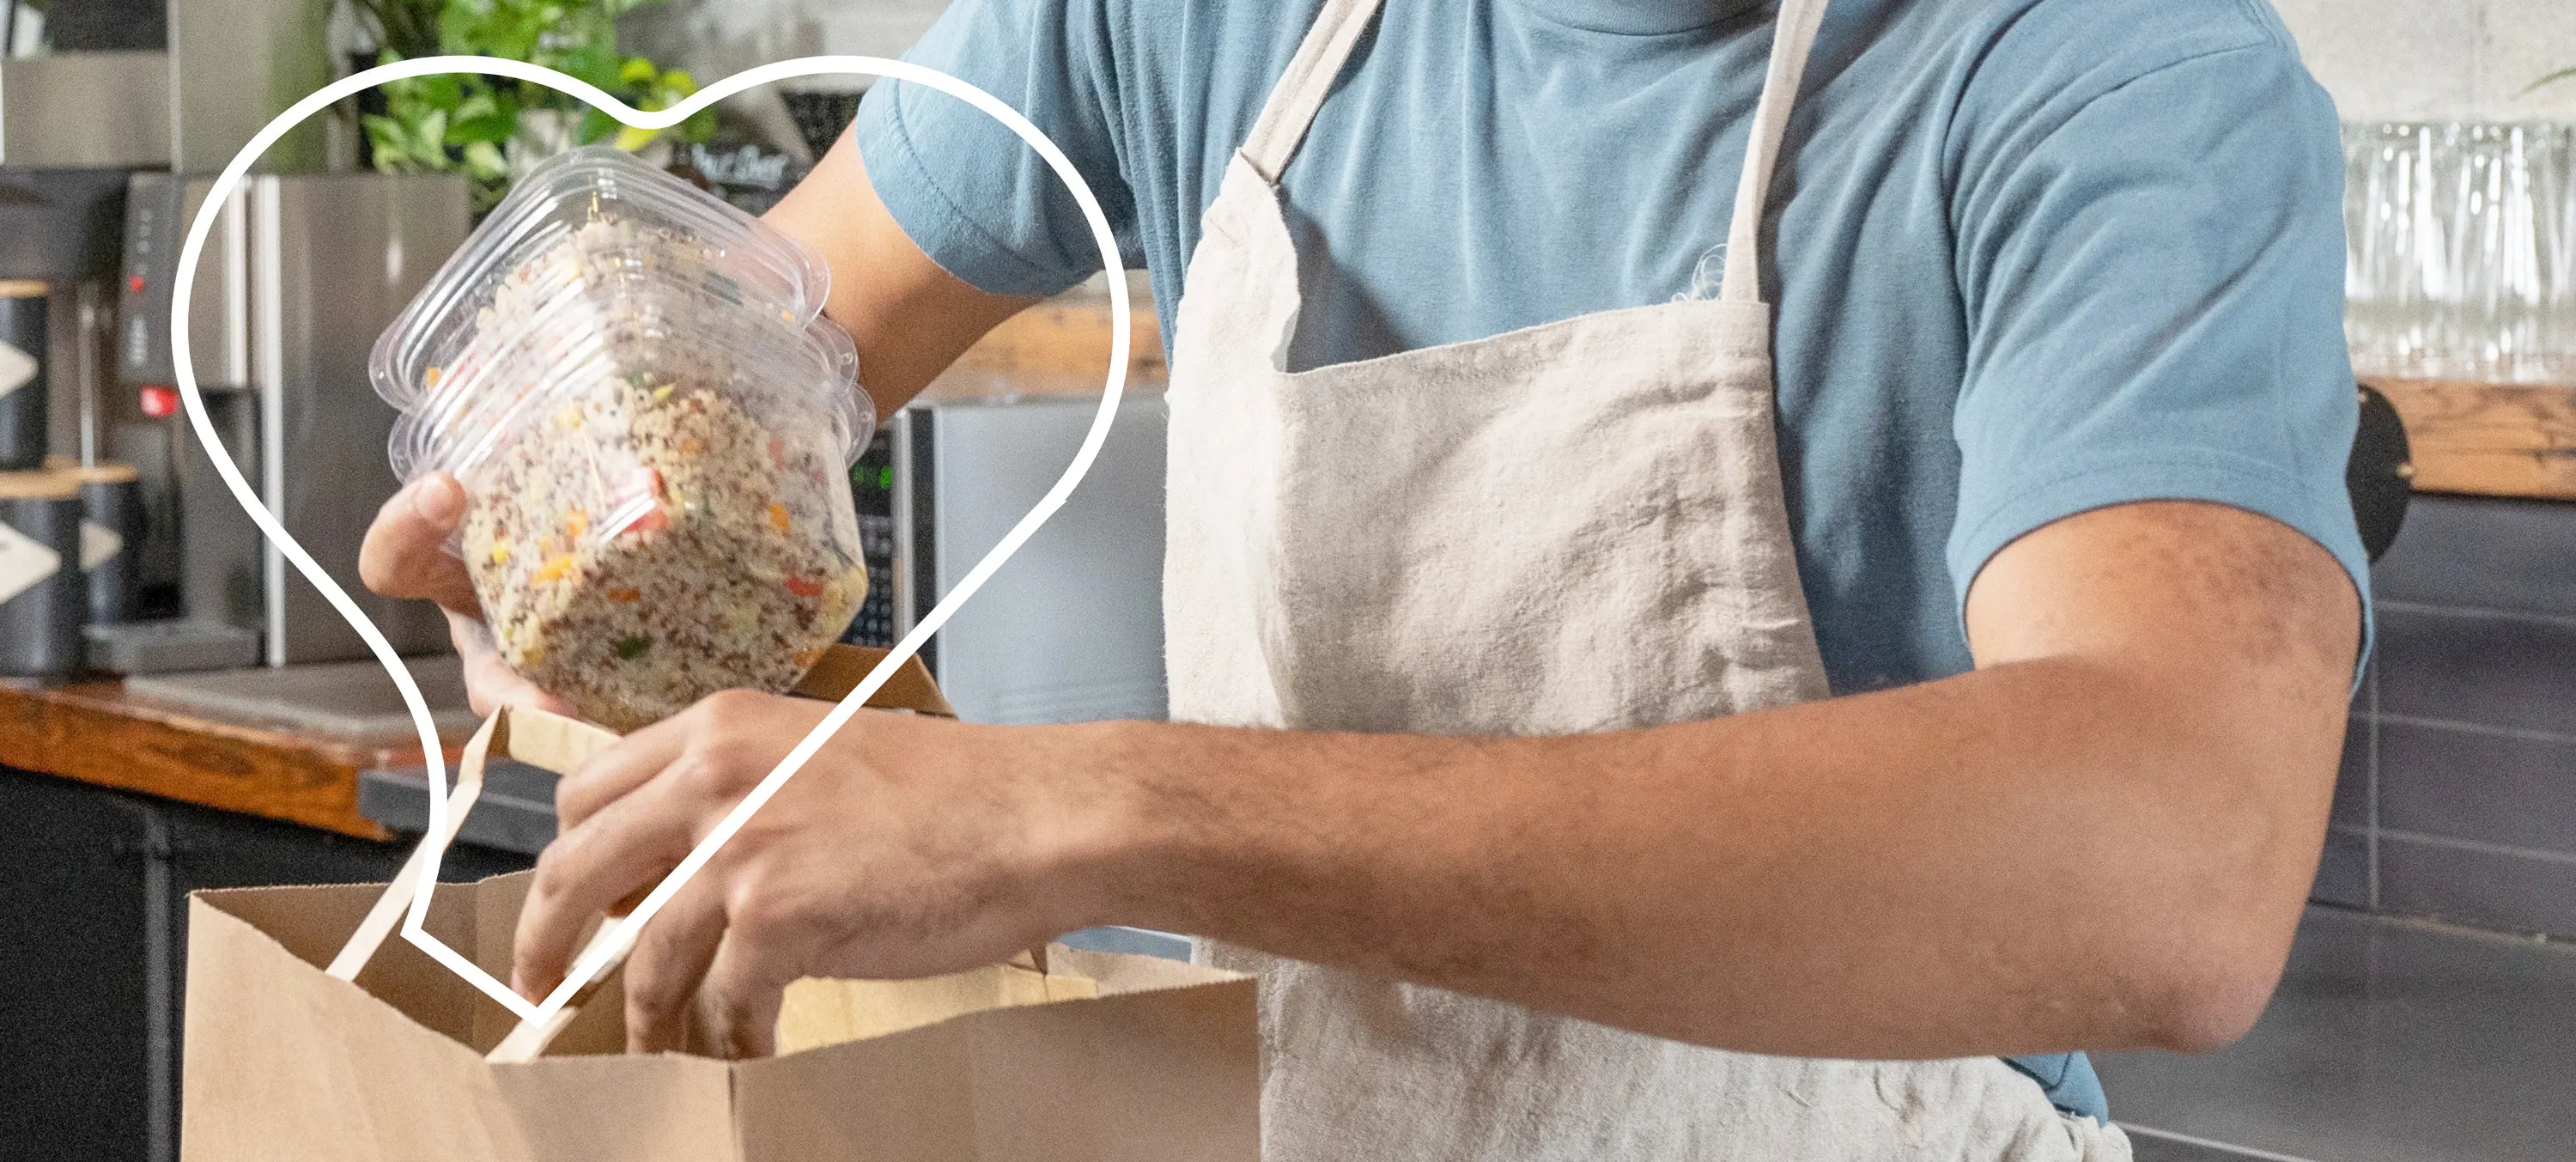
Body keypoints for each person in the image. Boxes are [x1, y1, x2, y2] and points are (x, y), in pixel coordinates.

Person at [361, 0, 2367, 1156]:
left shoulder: (2116, 76)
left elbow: (2167, 860)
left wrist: (1090, 805)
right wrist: (574, 483)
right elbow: (771, 345)